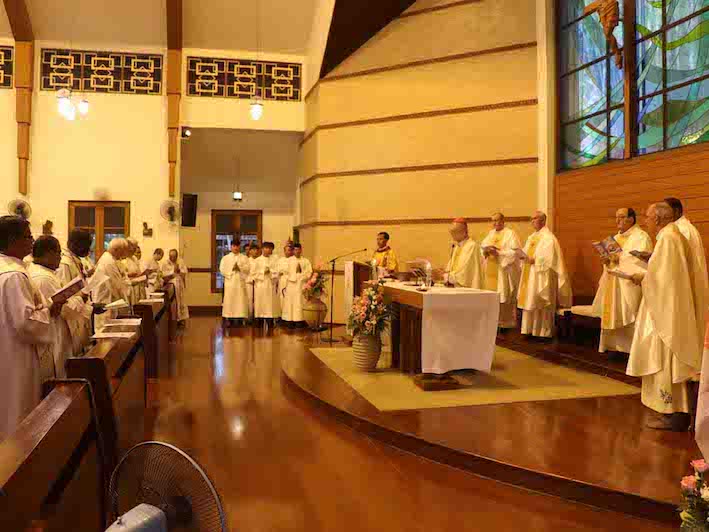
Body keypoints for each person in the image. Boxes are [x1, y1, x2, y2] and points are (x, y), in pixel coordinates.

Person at [626, 203, 704, 431]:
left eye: (648, 217)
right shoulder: (673, 236)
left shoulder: (668, 238)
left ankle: (673, 414)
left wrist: (641, 278)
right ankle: (673, 413)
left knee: (665, 360)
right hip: (669, 309)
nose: (646, 222)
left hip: (666, 313)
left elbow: (664, 280)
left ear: (659, 219)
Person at [0, 216, 55, 440]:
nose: (32, 242)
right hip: (15, 355)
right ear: (13, 240)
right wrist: (48, 309)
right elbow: (26, 323)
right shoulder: (14, 275)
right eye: (28, 237)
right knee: (17, 411)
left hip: (6, 349)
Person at [590, 208, 653, 354]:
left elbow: (640, 260)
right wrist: (606, 261)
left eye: (622, 217)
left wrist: (619, 258)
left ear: (631, 219)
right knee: (612, 313)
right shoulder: (615, 238)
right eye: (616, 217)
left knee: (629, 313)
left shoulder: (641, 237)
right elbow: (612, 261)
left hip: (628, 284)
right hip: (613, 283)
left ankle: (630, 351)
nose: (618, 220)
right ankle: (613, 347)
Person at [516, 211, 572, 338]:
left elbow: (550, 259)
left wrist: (535, 260)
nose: (532, 221)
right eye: (531, 219)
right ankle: (528, 330)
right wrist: (521, 256)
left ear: (543, 220)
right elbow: (526, 252)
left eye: (535, 218)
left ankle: (543, 332)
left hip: (541, 276)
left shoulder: (548, 238)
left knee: (540, 302)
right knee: (530, 301)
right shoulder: (532, 237)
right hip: (530, 274)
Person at [29, 236, 78, 379]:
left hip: (57, 331)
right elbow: (62, 310)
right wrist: (80, 299)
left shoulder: (47, 274)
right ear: (48, 253)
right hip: (53, 334)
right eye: (58, 253)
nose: (60, 258)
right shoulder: (43, 278)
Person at [480, 213, 522, 329]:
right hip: (491, 271)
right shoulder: (491, 234)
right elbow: (482, 248)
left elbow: (515, 253)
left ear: (503, 221)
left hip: (503, 271)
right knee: (491, 297)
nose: (495, 223)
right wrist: (485, 251)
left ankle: (505, 324)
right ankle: (493, 323)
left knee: (504, 296)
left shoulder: (510, 234)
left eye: (497, 220)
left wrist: (498, 253)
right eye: (493, 221)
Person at [57, 228, 94, 355]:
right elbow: (64, 295)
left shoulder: (75, 260)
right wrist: (81, 297)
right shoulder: (64, 263)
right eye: (86, 245)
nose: (89, 249)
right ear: (75, 244)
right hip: (71, 317)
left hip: (80, 312)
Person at [93, 237, 132, 330]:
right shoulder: (108, 261)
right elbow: (116, 286)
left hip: (110, 303)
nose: (123, 255)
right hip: (106, 304)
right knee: (106, 334)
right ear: (117, 249)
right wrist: (126, 304)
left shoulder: (111, 259)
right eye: (123, 251)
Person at [443, 218, 482, 289]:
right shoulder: (457, 246)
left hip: (468, 289)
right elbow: (451, 267)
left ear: (464, 232)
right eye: (451, 231)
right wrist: (444, 272)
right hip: (455, 287)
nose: (452, 234)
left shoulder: (472, 246)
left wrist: (446, 276)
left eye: (454, 231)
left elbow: (465, 274)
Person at [219, 240, 250, 326]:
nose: (235, 248)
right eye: (234, 246)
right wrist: (231, 269)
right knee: (230, 300)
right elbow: (222, 269)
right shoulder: (225, 258)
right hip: (230, 282)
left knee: (240, 300)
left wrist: (240, 268)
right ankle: (230, 319)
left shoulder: (244, 258)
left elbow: (248, 268)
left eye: (237, 246)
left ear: (239, 247)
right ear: (231, 247)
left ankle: (240, 319)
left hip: (240, 282)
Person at [282, 243, 312, 328]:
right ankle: (289, 320)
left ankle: (300, 320)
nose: (297, 251)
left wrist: (300, 275)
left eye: (298, 249)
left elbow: (309, 272)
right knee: (290, 302)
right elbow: (285, 272)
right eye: (295, 249)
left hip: (301, 284)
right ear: (293, 251)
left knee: (300, 302)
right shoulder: (288, 260)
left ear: (301, 250)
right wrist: (294, 274)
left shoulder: (305, 261)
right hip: (291, 284)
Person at [253, 242, 281, 324]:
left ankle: (270, 321)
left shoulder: (274, 260)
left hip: (270, 284)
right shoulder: (257, 260)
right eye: (266, 248)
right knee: (260, 303)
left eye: (269, 248)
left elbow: (278, 271)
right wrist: (263, 272)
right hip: (260, 285)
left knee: (270, 304)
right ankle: (260, 321)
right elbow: (253, 274)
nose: (268, 250)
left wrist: (271, 272)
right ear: (262, 249)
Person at [162, 249, 189, 325]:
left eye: (174, 256)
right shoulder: (165, 263)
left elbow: (184, 274)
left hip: (179, 286)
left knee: (181, 302)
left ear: (176, 256)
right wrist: (173, 272)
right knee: (174, 303)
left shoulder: (180, 261)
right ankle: (173, 319)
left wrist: (179, 270)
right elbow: (164, 276)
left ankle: (181, 319)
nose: (172, 258)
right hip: (171, 286)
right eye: (170, 256)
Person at [124, 237, 147, 305]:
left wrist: (142, 276)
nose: (135, 250)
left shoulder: (134, 258)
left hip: (138, 287)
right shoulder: (122, 258)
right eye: (134, 248)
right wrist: (128, 274)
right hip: (130, 288)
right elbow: (121, 277)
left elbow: (138, 272)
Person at [277, 243, 294, 320]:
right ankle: (282, 316)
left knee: (290, 298)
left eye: (290, 250)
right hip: (283, 280)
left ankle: (290, 316)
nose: (288, 252)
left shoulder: (294, 259)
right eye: (286, 250)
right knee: (282, 298)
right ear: (284, 251)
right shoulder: (280, 260)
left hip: (291, 280)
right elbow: (278, 270)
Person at [246, 243, 261, 320]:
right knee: (249, 299)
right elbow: (245, 272)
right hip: (249, 282)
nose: (255, 251)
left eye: (256, 250)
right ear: (250, 251)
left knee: (258, 299)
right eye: (253, 250)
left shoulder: (260, 260)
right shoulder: (247, 261)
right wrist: (251, 278)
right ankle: (249, 316)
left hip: (258, 282)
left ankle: (258, 316)